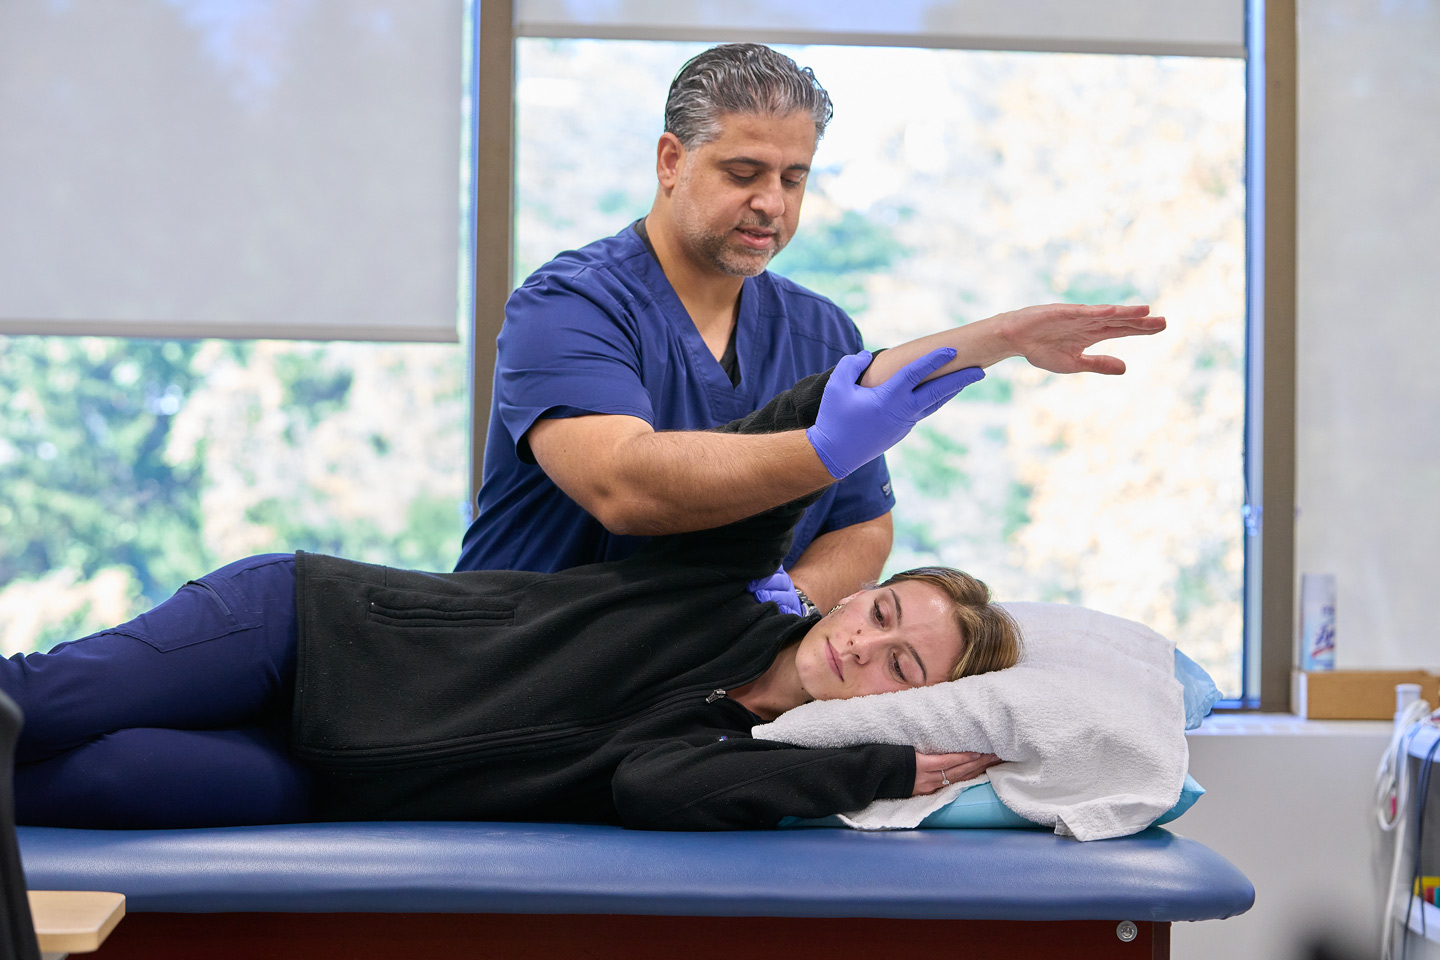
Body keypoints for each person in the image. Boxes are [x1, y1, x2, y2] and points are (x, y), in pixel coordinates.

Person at [3, 303, 1163, 831]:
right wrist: (997, 341)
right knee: (44, 702)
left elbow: (647, 792)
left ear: (900, 701)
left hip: (326, 778)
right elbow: (824, 403)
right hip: (309, 627)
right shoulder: (726, 588)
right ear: (858, 589)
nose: (863, 643)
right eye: (885, 614)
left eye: (895, 664)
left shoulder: (732, 756)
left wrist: (869, 772)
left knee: (92, 787)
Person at [457, 43, 894, 616]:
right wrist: (822, 450)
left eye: (793, 179)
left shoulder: (824, 334)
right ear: (671, 162)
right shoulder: (567, 306)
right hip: (517, 665)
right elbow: (624, 489)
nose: (771, 203)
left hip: (710, 685)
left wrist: (781, 612)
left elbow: (862, 527)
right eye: (744, 173)